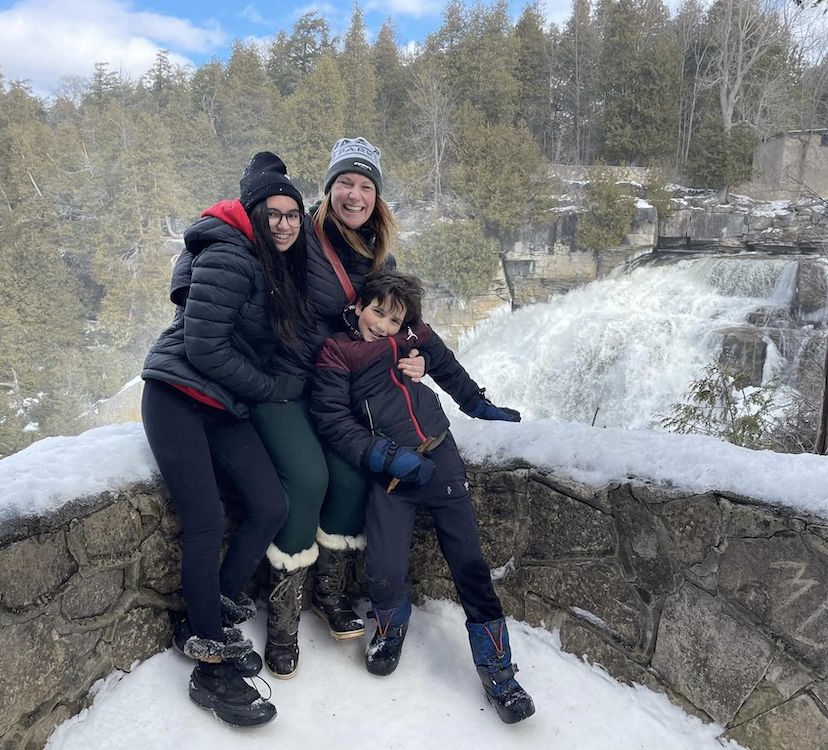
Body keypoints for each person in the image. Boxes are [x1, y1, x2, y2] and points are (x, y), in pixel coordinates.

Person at [309, 269, 536, 725]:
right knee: (385, 568)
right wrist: (383, 455)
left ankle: (498, 672)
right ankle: (391, 633)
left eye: (394, 320)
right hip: (391, 473)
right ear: (359, 305)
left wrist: (477, 405)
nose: (383, 325)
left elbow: (447, 367)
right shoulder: (338, 351)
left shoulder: (414, 336)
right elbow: (331, 418)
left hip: (441, 457)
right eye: (377, 311)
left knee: (469, 565)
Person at [140, 151, 313, 726]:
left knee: (269, 505)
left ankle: (207, 615)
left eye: (294, 214)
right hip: (178, 397)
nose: (286, 223)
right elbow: (203, 347)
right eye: (275, 213)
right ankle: (211, 669)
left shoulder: (271, 264)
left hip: (223, 403)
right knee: (208, 520)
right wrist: (266, 386)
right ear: (253, 213)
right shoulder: (232, 256)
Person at [249, 137, 425, 679]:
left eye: (365, 185)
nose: (355, 193)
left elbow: (394, 321)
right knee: (308, 479)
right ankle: (282, 615)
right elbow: (239, 253)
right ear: (328, 190)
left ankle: (327, 591)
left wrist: (413, 359)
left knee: (351, 476)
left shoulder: (378, 256)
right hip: (284, 382)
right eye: (345, 182)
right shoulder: (299, 234)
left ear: (377, 197)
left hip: (337, 389)